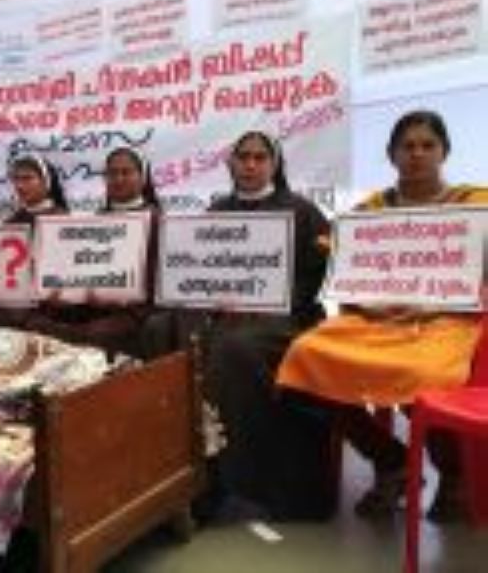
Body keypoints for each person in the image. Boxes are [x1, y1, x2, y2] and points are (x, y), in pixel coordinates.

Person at [277, 109, 488, 521]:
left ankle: (453, 477)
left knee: (429, 378)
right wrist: (359, 285)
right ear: (392, 155)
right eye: (407, 146)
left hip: (445, 320)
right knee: (305, 356)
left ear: (445, 151)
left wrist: (435, 298)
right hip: (376, 321)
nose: (417, 154)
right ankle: (391, 460)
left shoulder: (476, 203)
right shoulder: (372, 207)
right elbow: (347, 267)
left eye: (428, 145)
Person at [197, 130, 333, 520]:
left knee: (233, 349)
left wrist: (273, 302)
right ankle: (187, 475)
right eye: (243, 157)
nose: (251, 164)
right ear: (231, 163)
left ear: (274, 164)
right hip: (228, 317)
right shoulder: (216, 212)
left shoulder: (304, 211)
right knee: (168, 332)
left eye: (260, 157)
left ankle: (243, 481)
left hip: (289, 320)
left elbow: (322, 276)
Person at [24, 147, 172, 359]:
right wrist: (62, 292)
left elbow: (160, 282)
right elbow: (80, 269)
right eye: (111, 173)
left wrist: (118, 298)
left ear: (143, 177)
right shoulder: (94, 221)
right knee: (40, 322)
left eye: (126, 172)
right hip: (91, 304)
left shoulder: (158, 221)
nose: (118, 179)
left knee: (95, 334)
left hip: (136, 310)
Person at [4, 154, 68, 227]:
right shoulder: (12, 224)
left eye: (27, 178)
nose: (19, 186)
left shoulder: (63, 221)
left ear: (45, 182)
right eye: (16, 179)